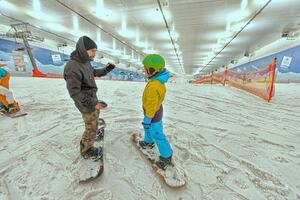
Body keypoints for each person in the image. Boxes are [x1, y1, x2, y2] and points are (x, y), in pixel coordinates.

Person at [63, 36, 115, 160]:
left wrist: (106, 70)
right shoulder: (73, 67)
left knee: (95, 117)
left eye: (95, 51)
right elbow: (74, 93)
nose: (94, 54)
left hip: (91, 98)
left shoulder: (85, 62)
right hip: (85, 102)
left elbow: (94, 73)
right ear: (82, 50)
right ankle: (86, 149)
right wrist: (93, 103)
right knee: (91, 126)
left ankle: (94, 127)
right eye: (92, 51)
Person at [139, 54, 173, 170]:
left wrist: (148, 118)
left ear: (153, 70)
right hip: (152, 111)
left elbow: (151, 105)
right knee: (148, 128)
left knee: (157, 133)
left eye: (146, 69)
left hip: (153, 114)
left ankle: (166, 156)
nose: (145, 71)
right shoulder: (156, 81)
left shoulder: (154, 86)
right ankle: (148, 141)